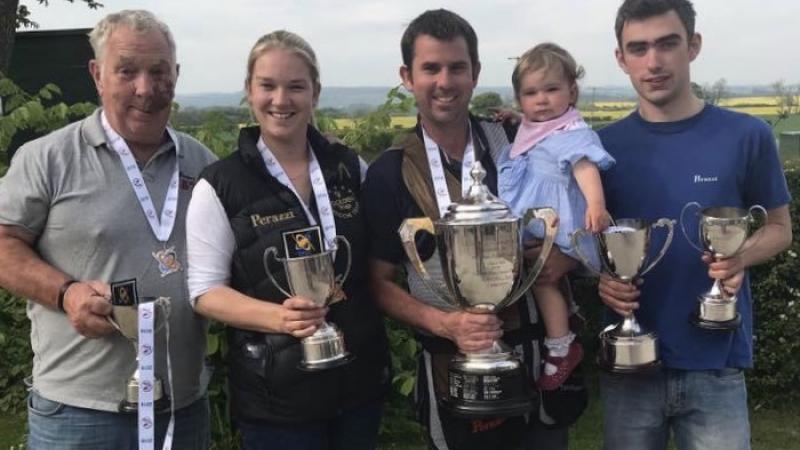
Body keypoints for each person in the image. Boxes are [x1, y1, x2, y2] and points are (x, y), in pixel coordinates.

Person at [0, 9, 217, 449]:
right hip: (79, 415)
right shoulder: (47, 159)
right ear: (97, 75)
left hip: (183, 407)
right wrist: (67, 293)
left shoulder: (202, 163)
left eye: (158, 71)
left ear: (175, 74)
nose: (145, 88)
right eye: (127, 71)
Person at [363, 9, 576, 450]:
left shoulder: (522, 143)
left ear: (475, 73)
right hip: (452, 366)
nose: (445, 81)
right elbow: (377, 281)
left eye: (457, 67)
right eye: (431, 68)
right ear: (407, 76)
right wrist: (444, 322)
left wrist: (568, 256)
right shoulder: (391, 171)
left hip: (539, 360)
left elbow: (579, 213)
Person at [597, 1, 793, 449]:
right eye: (638, 48)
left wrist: (739, 255)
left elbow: (780, 228)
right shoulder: (602, 149)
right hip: (630, 365)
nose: (654, 61)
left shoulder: (747, 135)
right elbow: (591, 243)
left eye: (667, 44)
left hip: (716, 361)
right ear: (620, 58)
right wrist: (601, 280)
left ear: (693, 45)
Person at [185, 30, 390, 450]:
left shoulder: (349, 168)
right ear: (249, 91)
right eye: (268, 86)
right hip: (276, 399)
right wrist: (278, 318)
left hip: (359, 384)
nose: (281, 100)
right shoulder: (221, 184)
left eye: (296, 86)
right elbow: (204, 291)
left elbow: (383, 253)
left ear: (315, 91)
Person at [496, 42, 615, 391]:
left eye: (551, 89)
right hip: (539, 223)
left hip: (561, 225)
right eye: (531, 93)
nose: (542, 100)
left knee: (544, 279)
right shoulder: (541, 125)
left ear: (572, 91)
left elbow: (584, 167)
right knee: (538, 278)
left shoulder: (572, 132)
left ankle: (561, 345)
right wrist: (516, 119)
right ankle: (560, 331)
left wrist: (596, 204)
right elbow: (538, 136)